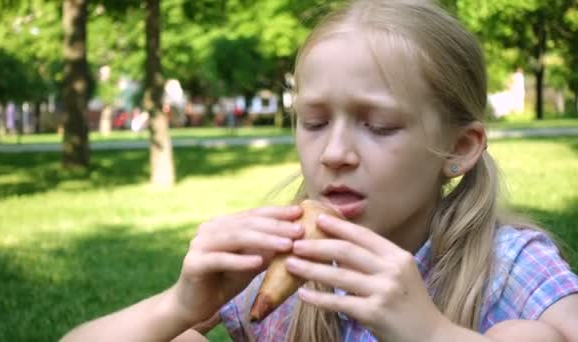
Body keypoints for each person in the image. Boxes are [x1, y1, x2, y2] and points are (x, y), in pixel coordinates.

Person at [61, 1, 578, 341]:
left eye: (377, 126)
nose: (334, 153)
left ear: (458, 148)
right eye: (314, 122)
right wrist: (177, 305)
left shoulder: (504, 263)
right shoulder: (279, 264)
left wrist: (432, 333)